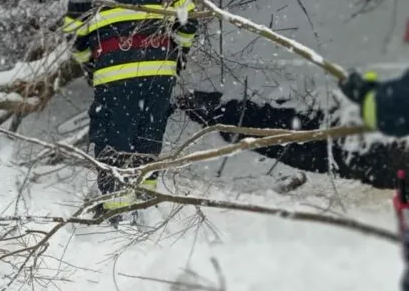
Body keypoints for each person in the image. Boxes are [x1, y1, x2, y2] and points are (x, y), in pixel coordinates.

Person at [61, 0, 199, 218]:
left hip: (115, 71)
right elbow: (189, 20)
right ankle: (145, 198)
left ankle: (116, 209)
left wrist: (90, 66)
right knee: (149, 132)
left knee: (114, 138)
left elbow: (74, 36)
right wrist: (179, 56)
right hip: (160, 69)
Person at [175, 88, 409, 189]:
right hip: (368, 150)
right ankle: (220, 113)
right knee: (294, 134)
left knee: (293, 138)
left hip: (369, 156)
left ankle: (219, 113)